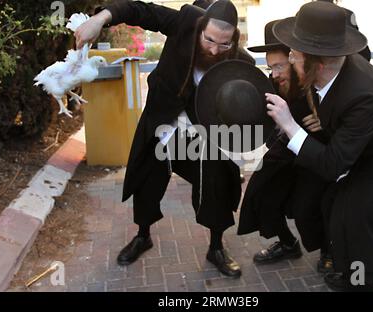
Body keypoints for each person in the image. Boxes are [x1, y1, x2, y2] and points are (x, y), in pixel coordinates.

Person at [75, 0, 254, 278]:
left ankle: (216, 247)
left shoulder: (239, 62)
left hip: (203, 135)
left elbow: (252, 101)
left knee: (217, 181)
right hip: (163, 122)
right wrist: (100, 19)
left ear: (233, 39)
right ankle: (143, 235)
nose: (214, 49)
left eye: (224, 44)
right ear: (200, 28)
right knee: (147, 178)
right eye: (209, 40)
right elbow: (138, 10)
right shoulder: (183, 23)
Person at [267, 1, 373, 291]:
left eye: (294, 55)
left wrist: (289, 125)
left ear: (316, 64)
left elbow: (333, 165)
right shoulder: (333, 70)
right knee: (334, 207)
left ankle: (359, 282)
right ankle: (347, 271)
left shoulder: (363, 94)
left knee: (357, 225)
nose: (290, 61)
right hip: (370, 150)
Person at [238, 20, 333, 273]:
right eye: (271, 67)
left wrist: (326, 121)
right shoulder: (275, 83)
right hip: (283, 152)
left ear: (294, 59)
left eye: (279, 66)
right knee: (261, 195)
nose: (275, 73)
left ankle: (329, 248)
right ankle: (288, 243)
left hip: (314, 156)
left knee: (308, 207)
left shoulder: (317, 83)